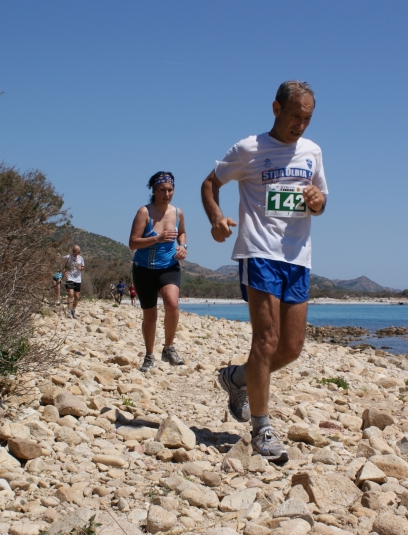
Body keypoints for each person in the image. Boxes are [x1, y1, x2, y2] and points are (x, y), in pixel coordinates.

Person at [201, 81, 328, 463]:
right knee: (266, 341)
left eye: (306, 119)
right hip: (258, 253)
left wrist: (318, 201)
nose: (300, 126)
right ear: (276, 108)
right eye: (294, 117)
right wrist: (216, 219)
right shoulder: (249, 149)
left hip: (297, 258)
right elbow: (210, 183)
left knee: (290, 348)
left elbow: (321, 202)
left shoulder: (313, 152)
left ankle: (238, 378)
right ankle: (262, 428)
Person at [129, 171, 188, 372]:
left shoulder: (177, 212)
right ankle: (149, 354)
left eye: (170, 189)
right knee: (150, 316)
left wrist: (183, 246)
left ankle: (169, 347)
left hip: (169, 267)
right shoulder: (144, 212)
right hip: (144, 270)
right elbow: (132, 243)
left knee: (172, 303)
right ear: (154, 191)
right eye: (162, 190)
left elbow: (182, 233)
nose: (167, 194)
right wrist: (157, 238)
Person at [62, 245, 85, 319]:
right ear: (72, 251)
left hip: (78, 279)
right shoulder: (67, 257)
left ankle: (73, 310)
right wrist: (64, 272)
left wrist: (81, 268)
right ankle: (68, 311)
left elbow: (83, 267)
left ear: (79, 252)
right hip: (70, 278)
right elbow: (60, 263)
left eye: (76, 251)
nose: (75, 253)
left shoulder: (81, 258)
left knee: (77, 296)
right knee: (71, 294)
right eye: (74, 251)